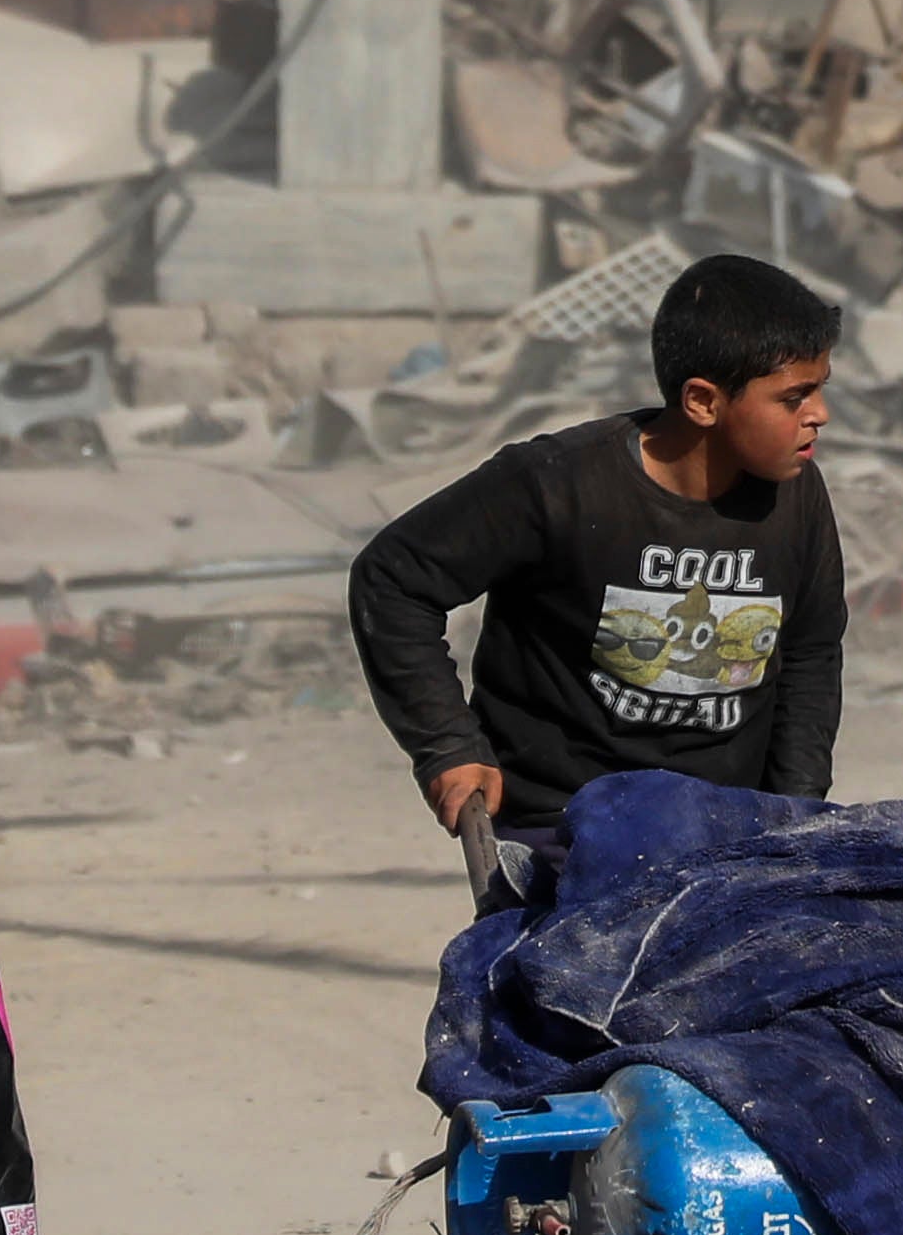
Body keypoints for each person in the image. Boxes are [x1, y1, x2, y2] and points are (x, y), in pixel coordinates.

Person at [348, 251, 848, 860]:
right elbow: (392, 581)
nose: (819, 414)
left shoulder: (794, 496)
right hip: (559, 828)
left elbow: (809, 652)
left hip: (724, 825)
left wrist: (795, 811)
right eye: (794, 397)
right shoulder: (556, 484)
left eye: (820, 390)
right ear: (702, 401)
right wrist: (450, 748)